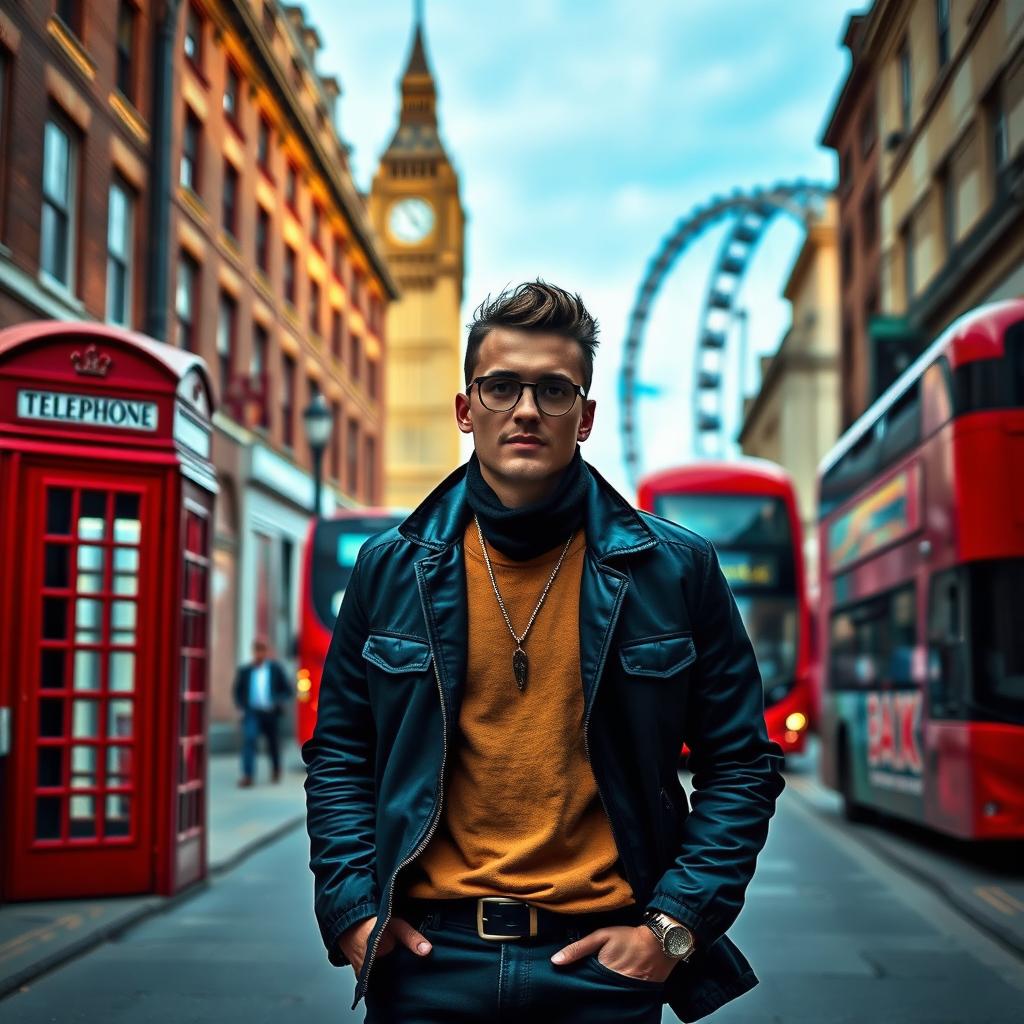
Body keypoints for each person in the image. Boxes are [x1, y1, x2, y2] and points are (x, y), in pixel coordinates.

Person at [303, 282, 786, 1022]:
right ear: (467, 409)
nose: (527, 410)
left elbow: (741, 764)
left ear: (585, 416)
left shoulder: (675, 570)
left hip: (602, 970)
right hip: (428, 964)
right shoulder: (390, 567)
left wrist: (671, 928)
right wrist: (353, 914)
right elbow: (340, 753)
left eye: (554, 391)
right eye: (502, 386)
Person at [233, 637, 291, 787]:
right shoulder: (245, 671)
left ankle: (276, 769)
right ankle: (248, 775)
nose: (259, 653)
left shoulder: (275, 669)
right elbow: (238, 691)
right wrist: (240, 707)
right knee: (249, 740)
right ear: (253, 652)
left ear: (267, 652)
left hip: (271, 713)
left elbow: (287, 690)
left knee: (273, 744)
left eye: (262, 650)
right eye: (257, 650)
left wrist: (279, 701)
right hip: (252, 712)